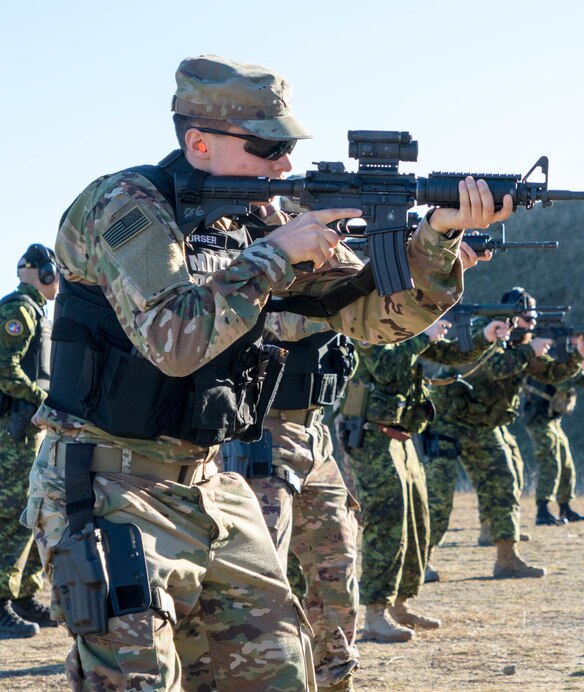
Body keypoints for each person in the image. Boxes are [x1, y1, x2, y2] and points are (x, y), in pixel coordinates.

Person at [23, 54, 510, 690]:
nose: (285, 164)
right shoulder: (127, 207)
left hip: (209, 481)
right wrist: (277, 256)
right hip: (111, 485)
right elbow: (175, 341)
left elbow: (372, 317)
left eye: (288, 146)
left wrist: (435, 242)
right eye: (267, 145)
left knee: (281, 671)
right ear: (200, 142)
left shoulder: (257, 219)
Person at [341, 315, 506, 641]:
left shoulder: (403, 327)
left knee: (416, 522)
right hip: (370, 438)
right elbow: (386, 368)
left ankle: (399, 604)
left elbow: (452, 356)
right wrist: (423, 336)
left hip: (401, 437)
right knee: (388, 522)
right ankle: (375, 613)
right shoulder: (367, 324)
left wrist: (485, 337)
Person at [217, 322, 361, 690]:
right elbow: (281, 322)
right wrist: (347, 296)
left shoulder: (337, 275)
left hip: (315, 435)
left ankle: (333, 672)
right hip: (266, 434)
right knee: (263, 570)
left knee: (337, 560)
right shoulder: (272, 271)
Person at [426, 287, 584, 579]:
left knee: (504, 485)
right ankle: (420, 562)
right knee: (438, 496)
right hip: (448, 422)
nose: (532, 325)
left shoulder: (522, 343)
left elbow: (551, 374)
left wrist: (578, 356)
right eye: (527, 319)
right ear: (512, 317)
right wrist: (529, 350)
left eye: (533, 320)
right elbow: (495, 369)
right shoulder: (484, 331)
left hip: (484, 426)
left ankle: (507, 558)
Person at [0, 245, 58, 638]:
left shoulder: (35, 311)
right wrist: (45, 403)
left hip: (28, 428)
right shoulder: (18, 310)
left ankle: (22, 595)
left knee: (31, 511)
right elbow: (5, 369)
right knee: (10, 516)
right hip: (13, 431)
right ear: (47, 272)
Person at [523, 347, 584, 525]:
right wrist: (580, 368)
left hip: (553, 420)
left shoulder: (570, 360)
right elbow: (561, 382)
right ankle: (543, 510)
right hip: (539, 418)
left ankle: (565, 508)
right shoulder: (554, 355)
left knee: (566, 463)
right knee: (550, 461)